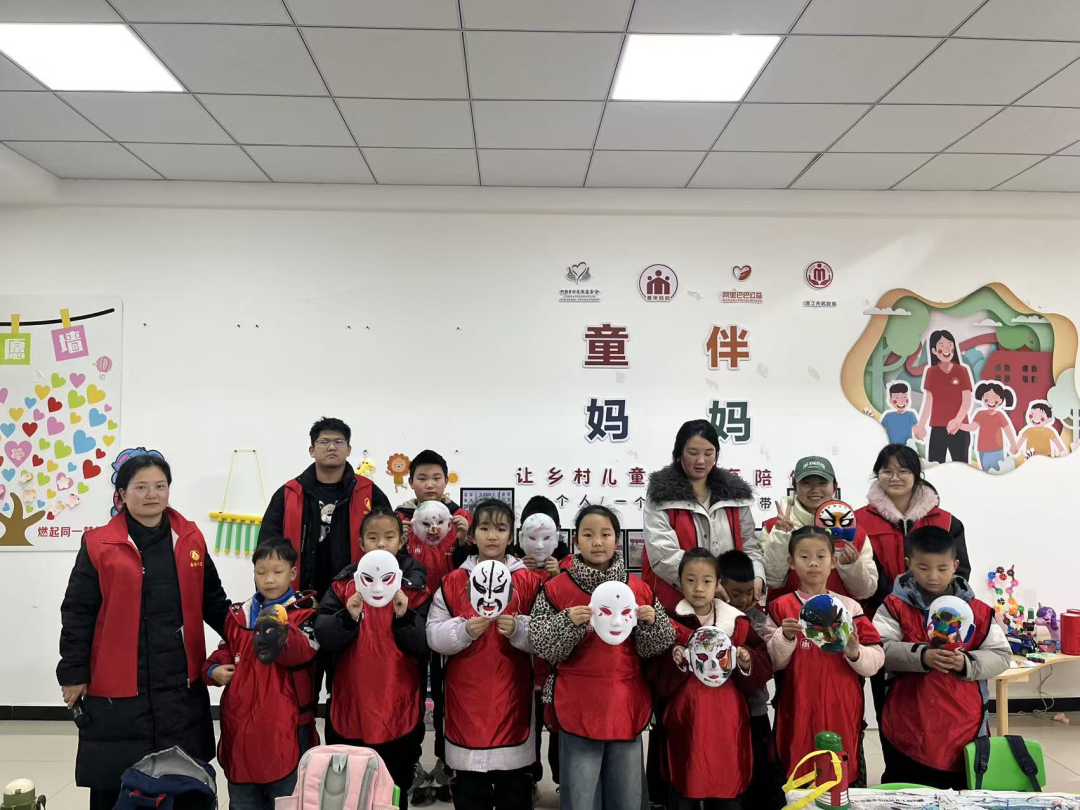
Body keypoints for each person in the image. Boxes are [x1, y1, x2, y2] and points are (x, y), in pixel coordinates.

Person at [57, 455, 231, 810]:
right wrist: (73, 673)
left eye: (160, 486)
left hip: (179, 683)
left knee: (181, 778)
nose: (152, 495)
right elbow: (78, 612)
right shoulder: (99, 544)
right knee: (116, 781)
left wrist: (245, 638)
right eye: (141, 487)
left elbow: (213, 601)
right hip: (119, 687)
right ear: (122, 494)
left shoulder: (190, 538)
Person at [530, 506, 675, 810]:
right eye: (588, 535)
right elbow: (542, 645)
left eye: (605, 534)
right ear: (576, 541)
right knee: (581, 795)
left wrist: (652, 623)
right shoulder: (556, 589)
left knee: (627, 795)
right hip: (577, 702)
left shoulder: (638, 589)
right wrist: (568, 622)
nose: (597, 542)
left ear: (616, 539)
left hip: (625, 702)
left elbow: (657, 647)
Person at [873, 526, 1010, 790]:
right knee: (907, 795)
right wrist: (921, 656)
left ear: (955, 566)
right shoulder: (894, 606)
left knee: (961, 796)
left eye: (942, 568)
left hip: (964, 724)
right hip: (908, 723)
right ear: (909, 564)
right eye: (923, 568)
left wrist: (967, 663)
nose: (933, 576)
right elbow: (879, 648)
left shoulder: (978, 611)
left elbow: (1001, 655)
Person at [426, 499, 540, 810]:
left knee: (514, 791)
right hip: (465, 699)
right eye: (485, 528)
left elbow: (545, 636)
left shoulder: (529, 583)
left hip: (513, 698)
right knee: (469, 790)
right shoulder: (452, 582)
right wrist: (463, 631)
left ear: (511, 536)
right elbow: (433, 634)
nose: (492, 536)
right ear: (472, 534)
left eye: (500, 529)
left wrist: (518, 629)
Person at [314, 509, 429, 810]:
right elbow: (324, 634)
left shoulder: (414, 589)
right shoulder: (343, 586)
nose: (381, 543)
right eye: (373, 537)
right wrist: (348, 617)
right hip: (351, 702)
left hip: (399, 704)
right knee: (351, 789)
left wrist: (405, 616)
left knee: (394, 786)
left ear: (401, 541)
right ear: (361, 543)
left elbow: (424, 644)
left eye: (389, 537)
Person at [651, 548, 771, 810]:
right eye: (690, 580)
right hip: (685, 719)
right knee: (685, 784)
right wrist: (675, 661)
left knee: (727, 786)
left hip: (728, 720)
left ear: (718, 584)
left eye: (706, 581)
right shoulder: (668, 621)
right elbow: (654, 675)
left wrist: (747, 659)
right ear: (679, 582)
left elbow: (763, 662)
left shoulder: (736, 623)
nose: (698, 588)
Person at [764, 527, 883, 789]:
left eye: (821, 556)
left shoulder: (850, 608)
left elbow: (875, 660)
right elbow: (770, 662)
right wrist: (785, 637)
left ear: (834, 561)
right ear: (791, 562)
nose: (813, 563)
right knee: (797, 770)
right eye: (804, 557)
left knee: (840, 772)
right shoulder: (780, 607)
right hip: (797, 706)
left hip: (843, 705)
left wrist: (854, 651)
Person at [204, 540, 319, 810]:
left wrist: (279, 628)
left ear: (292, 573)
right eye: (261, 572)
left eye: (277, 572)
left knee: (288, 799)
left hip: (286, 725)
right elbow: (225, 649)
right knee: (243, 799)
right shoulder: (239, 615)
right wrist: (213, 670)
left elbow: (303, 653)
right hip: (240, 725)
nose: (268, 580)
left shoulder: (305, 614)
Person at [397, 448, 472, 802]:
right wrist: (397, 540)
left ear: (446, 481)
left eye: (436, 478)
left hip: (450, 618)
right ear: (411, 482)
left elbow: (470, 567)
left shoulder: (460, 519)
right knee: (409, 691)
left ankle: (447, 764)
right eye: (422, 478)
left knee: (448, 694)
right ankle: (410, 764)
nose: (429, 484)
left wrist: (465, 540)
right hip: (409, 618)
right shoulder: (399, 518)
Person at [259, 416, 391, 599]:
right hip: (299, 597)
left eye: (339, 442)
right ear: (312, 450)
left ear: (349, 449)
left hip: (357, 596)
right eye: (324, 441)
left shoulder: (369, 492)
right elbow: (266, 550)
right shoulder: (289, 494)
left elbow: (389, 545)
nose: (332, 447)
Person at [643, 419, 761, 612]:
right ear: (679, 452)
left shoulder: (734, 496)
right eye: (693, 453)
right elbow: (663, 554)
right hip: (676, 604)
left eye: (708, 453)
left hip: (729, 602)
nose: (700, 461)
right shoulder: (661, 496)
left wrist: (757, 576)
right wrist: (707, 585)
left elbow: (749, 544)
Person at [512, 495, 571, 798]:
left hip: (558, 665)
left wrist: (560, 577)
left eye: (546, 536)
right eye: (531, 535)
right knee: (529, 724)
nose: (538, 544)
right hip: (523, 663)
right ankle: (529, 778)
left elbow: (576, 602)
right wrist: (516, 571)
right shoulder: (512, 562)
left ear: (557, 532)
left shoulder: (569, 563)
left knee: (559, 724)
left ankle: (563, 779)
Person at [761, 456, 876, 606]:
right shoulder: (774, 528)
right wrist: (781, 537)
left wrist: (852, 566)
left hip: (840, 617)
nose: (815, 489)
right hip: (787, 616)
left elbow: (865, 592)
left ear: (834, 486)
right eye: (806, 483)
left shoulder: (855, 532)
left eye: (822, 483)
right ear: (795, 486)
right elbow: (772, 581)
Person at [720, 550, 784, 810]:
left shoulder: (759, 619)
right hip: (722, 710)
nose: (744, 599)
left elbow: (768, 663)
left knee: (760, 770)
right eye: (736, 593)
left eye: (749, 592)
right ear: (720, 587)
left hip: (755, 709)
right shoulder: (713, 617)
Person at [913, 330, 974, 464]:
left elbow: (967, 400)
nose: (946, 349)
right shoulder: (931, 372)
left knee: (961, 466)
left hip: (960, 428)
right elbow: (928, 401)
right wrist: (921, 426)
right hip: (937, 428)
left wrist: (957, 421)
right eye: (941, 346)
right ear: (934, 351)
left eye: (949, 345)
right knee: (935, 465)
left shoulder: (962, 370)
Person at [961, 382, 1018, 472]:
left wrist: (1013, 444)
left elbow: (1008, 430)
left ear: (1001, 400)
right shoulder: (980, 414)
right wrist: (958, 425)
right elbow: (972, 427)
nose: (991, 401)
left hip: (996, 449)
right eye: (987, 398)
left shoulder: (999, 415)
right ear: (982, 398)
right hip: (982, 450)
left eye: (995, 398)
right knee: (985, 472)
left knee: (995, 471)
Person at [879, 381, 919, 446]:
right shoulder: (888, 416)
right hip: (891, 447)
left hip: (906, 447)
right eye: (897, 397)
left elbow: (916, 430)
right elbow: (882, 432)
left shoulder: (910, 415)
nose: (901, 401)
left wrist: (919, 434)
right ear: (890, 400)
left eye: (904, 397)